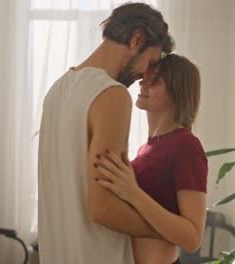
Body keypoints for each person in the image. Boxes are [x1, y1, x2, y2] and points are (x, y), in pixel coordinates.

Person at [37, 3, 174, 264]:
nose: (146, 74)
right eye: (151, 62)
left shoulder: (56, 91)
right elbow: (104, 209)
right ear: (137, 39)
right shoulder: (112, 94)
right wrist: (166, 230)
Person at [94, 54, 208, 264]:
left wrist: (133, 193)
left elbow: (192, 239)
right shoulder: (146, 149)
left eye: (154, 80)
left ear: (176, 91)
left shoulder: (187, 146)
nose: (142, 82)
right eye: (144, 76)